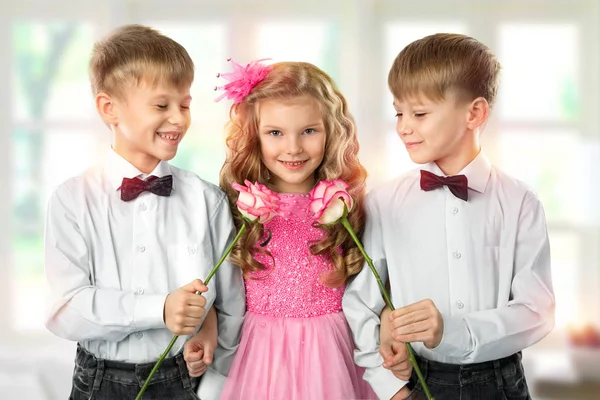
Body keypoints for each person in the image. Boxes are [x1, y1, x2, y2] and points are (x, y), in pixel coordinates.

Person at [343, 33, 555, 400]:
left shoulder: (520, 201)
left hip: (500, 383)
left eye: (420, 113)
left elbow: (536, 310)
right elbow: (360, 302)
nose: (403, 126)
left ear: (474, 113)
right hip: (417, 381)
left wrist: (453, 331)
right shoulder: (384, 202)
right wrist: (388, 385)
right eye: (399, 112)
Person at [43, 24, 245, 400]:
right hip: (98, 383)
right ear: (110, 108)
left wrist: (213, 371)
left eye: (184, 105)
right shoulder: (72, 199)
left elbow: (231, 304)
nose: (179, 119)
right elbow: (66, 309)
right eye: (161, 105)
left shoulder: (207, 200)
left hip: (186, 382)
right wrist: (160, 307)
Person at [211, 59, 377, 399]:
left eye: (309, 131)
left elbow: (373, 288)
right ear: (253, 136)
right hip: (260, 357)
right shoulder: (235, 207)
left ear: (332, 130)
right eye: (275, 133)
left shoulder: (349, 206)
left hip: (331, 354)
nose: (293, 148)